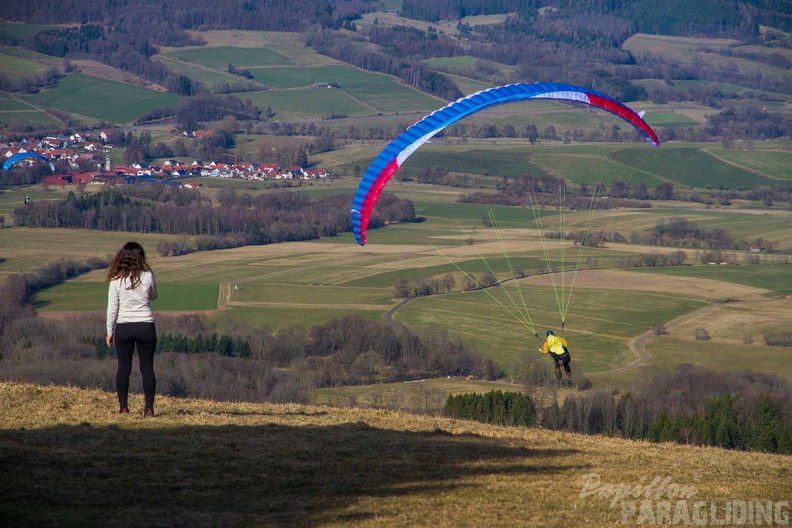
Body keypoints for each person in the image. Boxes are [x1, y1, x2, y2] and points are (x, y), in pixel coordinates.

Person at [106, 242, 158, 417]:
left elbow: (112, 309)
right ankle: (149, 409)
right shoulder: (148, 276)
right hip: (145, 326)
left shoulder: (116, 280)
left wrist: (109, 331)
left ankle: (123, 408)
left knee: (123, 368)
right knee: (147, 368)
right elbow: (154, 296)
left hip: (124, 326)